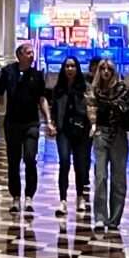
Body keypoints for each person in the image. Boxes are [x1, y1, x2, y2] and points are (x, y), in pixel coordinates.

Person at [0, 40, 52, 201]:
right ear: (20, 55)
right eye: (28, 53)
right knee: (13, 160)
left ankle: (29, 195)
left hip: (32, 123)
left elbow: (42, 99)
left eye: (32, 53)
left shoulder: (37, 75)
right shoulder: (8, 72)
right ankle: (15, 196)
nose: (32, 56)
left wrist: (49, 120)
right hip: (12, 123)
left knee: (30, 158)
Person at [90, 60, 129, 229]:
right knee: (100, 176)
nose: (106, 72)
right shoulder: (95, 91)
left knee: (118, 178)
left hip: (119, 134)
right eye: (103, 69)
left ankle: (115, 218)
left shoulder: (123, 90)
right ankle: (100, 216)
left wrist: (123, 110)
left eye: (109, 69)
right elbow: (90, 110)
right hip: (101, 133)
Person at [49, 56, 92, 209]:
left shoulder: (85, 88)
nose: (70, 69)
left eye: (73, 66)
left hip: (81, 131)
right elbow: (54, 109)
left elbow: (90, 108)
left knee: (80, 164)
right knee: (64, 161)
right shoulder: (58, 89)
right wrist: (52, 123)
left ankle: (80, 196)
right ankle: (63, 199)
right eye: (67, 66)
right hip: (64, 130)